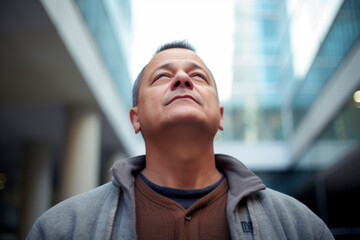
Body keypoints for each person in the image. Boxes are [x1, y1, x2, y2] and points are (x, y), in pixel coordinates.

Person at [27, 41, 334, 240]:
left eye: (198, 77)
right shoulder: (60, 229)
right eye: (162, 76)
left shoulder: (300, 227)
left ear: (221, 116)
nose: (182, 79)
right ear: (135, 118)